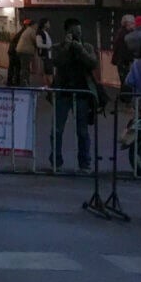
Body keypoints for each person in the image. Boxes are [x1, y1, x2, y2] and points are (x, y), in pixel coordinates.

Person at [49, 18, 98, 173]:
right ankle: (56, 161)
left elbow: (92, 63)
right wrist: (67, 46)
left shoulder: (87, 47)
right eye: (74, 32)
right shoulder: (59, 47)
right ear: (67, 32)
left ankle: (84, 162)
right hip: (63, 92)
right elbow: (57, 62)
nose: (78, 34)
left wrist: (80, 49)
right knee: (57, 130)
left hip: (82, 93)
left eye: (79, 31)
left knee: (82, 131)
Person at [111, 14, 136, 90]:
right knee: (127, 81)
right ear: (127, 23)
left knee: (124, 81)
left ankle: (124, 97)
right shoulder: (126, 35)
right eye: (132, 23)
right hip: (125, 62)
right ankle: (126, 98)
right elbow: (126, 50)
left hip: (122, 61)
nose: (134, 25)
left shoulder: (121, 33)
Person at [15, 18, 37, 87]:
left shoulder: (27, 30)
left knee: (23, 67)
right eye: (36, 25)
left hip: (20, 50)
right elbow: (36, 41)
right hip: (25, 52)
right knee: (25, 68)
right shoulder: (32, 31)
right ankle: (24, 83)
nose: (37, 26)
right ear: (33, 25)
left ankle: (23, 82)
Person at [36, 17, 54, 84]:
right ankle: (49, 87)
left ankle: (48, 87)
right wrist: (48, 46)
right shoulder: (40, 33)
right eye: (48, 23)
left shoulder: (45, 32)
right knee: (47, 72)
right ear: (44, 24)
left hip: (48, 54)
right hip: (44, 55)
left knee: (48, 72)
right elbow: (39, 44)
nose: (49, 24)